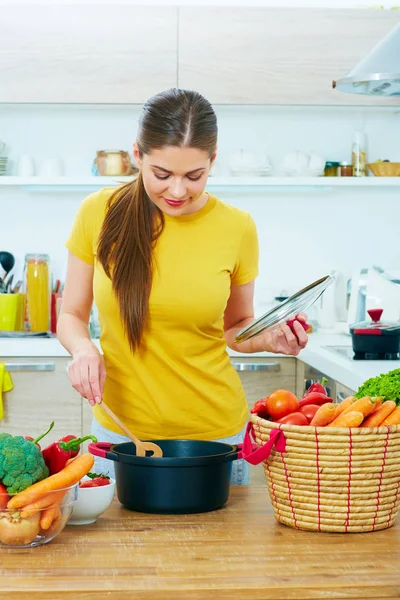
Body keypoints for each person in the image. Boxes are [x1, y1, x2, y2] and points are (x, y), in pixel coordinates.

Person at [57, 88, 308, 484]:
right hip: (121, 437)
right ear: (137, 155)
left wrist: (269, 338)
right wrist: (83, 348)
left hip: (215, 440)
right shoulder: (97, 213)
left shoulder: (237, 226)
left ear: (213, 159)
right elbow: (70, 314)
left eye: (194, 176)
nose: (177, 191)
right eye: (162, 174)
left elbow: (236, 326)